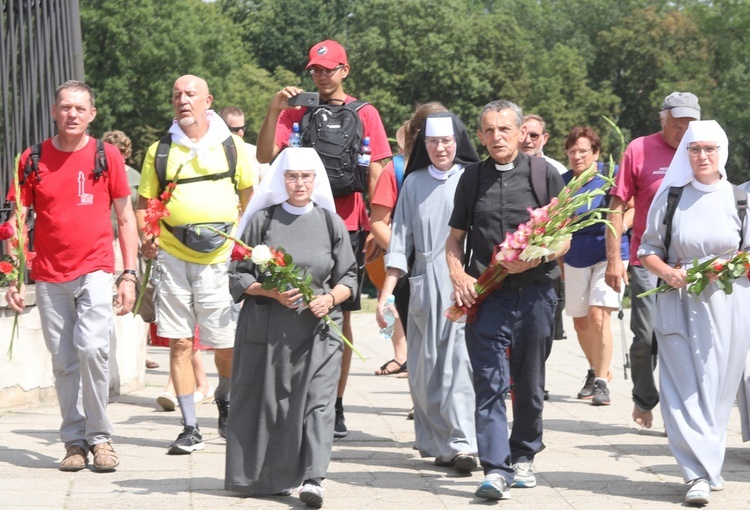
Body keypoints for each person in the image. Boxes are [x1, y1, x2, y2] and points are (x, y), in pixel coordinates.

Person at [256, 39, 392, 438]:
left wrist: (376, 226)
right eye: (315, 70)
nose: (321, 76)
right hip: (299, 222)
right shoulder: (297, 111)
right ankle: (296, 398)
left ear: (345, 70)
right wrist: (273, 109)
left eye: (329, 69)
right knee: (294, 307)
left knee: (339, 314)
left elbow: (378, 171)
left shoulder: (366, 113)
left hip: (348, 224)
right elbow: (266, 156)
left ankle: (334, 403)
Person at [5, 80, 138, 472]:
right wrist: (15, 278)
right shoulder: (31, 159)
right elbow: (17, 222)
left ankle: (101, 438)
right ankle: (74, 442)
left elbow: (126, 217)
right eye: (65, 107)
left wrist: (127, 273)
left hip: (95, 267)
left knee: (93, 349)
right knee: (64, 361)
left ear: (92, 114)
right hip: (48, 275)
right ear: (54, 111)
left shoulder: (106, 155)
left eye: (80, 108)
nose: (72, 114)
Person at [446, 100, 567, 500]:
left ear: (520, 133)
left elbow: (563, 238)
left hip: (536, 295)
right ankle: (496, 469)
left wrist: (537, 255)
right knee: (489, 382)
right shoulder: (471, 178)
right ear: (479, 136)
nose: (496, 137)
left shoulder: (544, 174)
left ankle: (524, 455)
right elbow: (454, 238)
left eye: (504, 129)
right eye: (488, 131)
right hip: (488, 295)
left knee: (529, 383)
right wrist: (458, 273)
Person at [225, 147, 357, 508]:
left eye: (306, 176)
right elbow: (237, 276)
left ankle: (313, 478)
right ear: (281, 179)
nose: (299, 183)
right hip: (270, 330)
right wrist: (269, 290)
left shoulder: (331, 222)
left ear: (317, 180)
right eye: (292, 176)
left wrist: (329, 299)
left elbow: (348, 277)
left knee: (318, 403)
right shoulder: (262, 221)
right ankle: (272, 476)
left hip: (319, 330)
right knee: (273, 404)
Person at [136, 74, 256, 454]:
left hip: (219, 259)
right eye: (176, 95)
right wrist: (147, 237)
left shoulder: (232, 148)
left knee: (224, 343)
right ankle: (190, 427)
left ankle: (224, 397)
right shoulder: (159, 150)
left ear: (209, 101)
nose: (182, 100)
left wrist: (245, 246)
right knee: (180, 342)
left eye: (190, 94)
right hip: (172, 256)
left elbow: (249, 198)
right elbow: (143, 204)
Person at [638, 120, 750, 505]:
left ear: (722, 152)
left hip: (729, 306)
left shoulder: (741, 199)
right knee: (682, 390)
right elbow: (647, 250)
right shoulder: (670, 196)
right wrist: (668, 272)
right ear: (686, 154)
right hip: (679, 304)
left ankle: (708, 464)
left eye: (709, 149)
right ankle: (696, 475)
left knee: (717, 393)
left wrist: (726, 267)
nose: (702, 156)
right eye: (694, 149)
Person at [377, 111, 480, 473]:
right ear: (423, 145)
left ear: (458, 143)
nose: (440, 148)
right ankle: (439, 443)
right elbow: (400, 240)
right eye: (433, 142)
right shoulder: (414, 182)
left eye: (447, 141)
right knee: (425, 370)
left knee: (459, 365)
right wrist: (386, 294)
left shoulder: (471, 177)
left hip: (461, 283)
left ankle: (465, 442)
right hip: (422, 281)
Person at [604, 92, 701, 429]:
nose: (684, 128)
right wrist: (614, 259)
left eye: (690, 122)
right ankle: (644, 399)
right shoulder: (639, 149)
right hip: (647, 259)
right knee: (645, 337)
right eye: (677, 121)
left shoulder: (703, 151)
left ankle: (680, 415)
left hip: (690, 263)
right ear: (663, 119)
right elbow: (617, 206)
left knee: (686, 340)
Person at [369, 102, 448, 377]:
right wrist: (404, 253)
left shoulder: (462, 170)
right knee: (415, 333)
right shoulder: (397, 169)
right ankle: (403, 358)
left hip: (450, 270)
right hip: (409, 269)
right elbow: (378, 222)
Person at [560, 126, 631, 406]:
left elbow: (632, 208)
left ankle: (601, 382)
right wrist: (559, 261)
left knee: (598, 315)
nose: (577, 156)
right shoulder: (564, 182)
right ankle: (596, 369)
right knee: (579, 321)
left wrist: (618, 228)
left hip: (608, 253)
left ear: (596, 152)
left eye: (582, 151)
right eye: (571, 151)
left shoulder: (609, 176)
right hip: (575, 255)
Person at [101, 130, 160, 371]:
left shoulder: (136, 177)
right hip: (107, 238)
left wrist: (146, 239)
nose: (117, 156)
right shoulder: (98, 175)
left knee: (142, 291)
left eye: (121, 152)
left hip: (134, 239)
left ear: (126, 153)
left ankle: (141, 351)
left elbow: (141, 209)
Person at [218, 106, 270, 181]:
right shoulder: (210, 153)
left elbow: (267, 186)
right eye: (235, 129)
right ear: (221, 127)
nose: (241, 133)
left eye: (243, 128)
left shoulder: (256, 153)